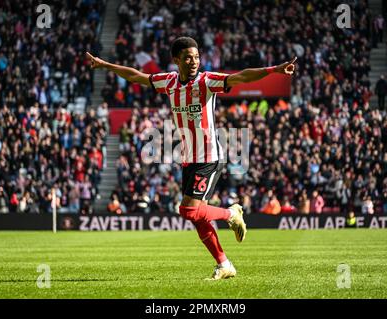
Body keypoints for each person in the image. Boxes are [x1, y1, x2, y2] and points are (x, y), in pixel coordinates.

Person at [86, 37, 297, 280]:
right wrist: (104, 65)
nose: (194, 61)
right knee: (196, 217)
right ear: (176, 60)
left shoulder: (207, 81)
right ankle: (225, 264)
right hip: (189, 158)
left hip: (209, 156)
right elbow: (136, 76)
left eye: (196, 57)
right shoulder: (169, 82)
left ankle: (231, 214)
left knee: (188, 210)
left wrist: (275, 70)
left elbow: (241, 76)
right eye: (188, 57)